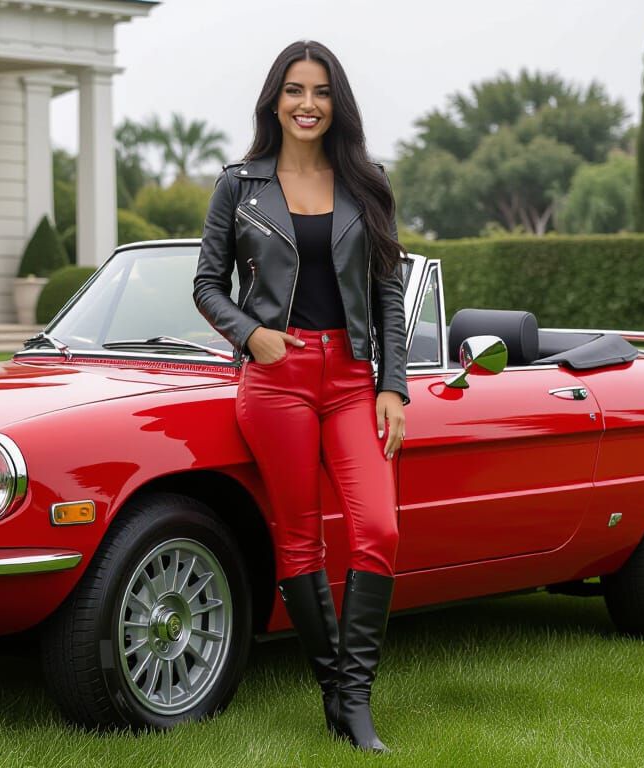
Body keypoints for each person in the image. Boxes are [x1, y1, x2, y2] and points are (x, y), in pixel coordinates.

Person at [192, 39, 409, 754]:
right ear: (274, 101)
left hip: (351, 380)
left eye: (319, 90)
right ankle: (339, 697)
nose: (306, 103)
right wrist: (251, 336)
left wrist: (393, 387)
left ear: (335, 101)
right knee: (299, 539)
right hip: (276, 379)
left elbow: (387, 296)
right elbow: (207, 285)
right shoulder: (239, 185)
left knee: (378, 530)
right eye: (293, 89)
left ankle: (353, 693)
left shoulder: (368, 183)